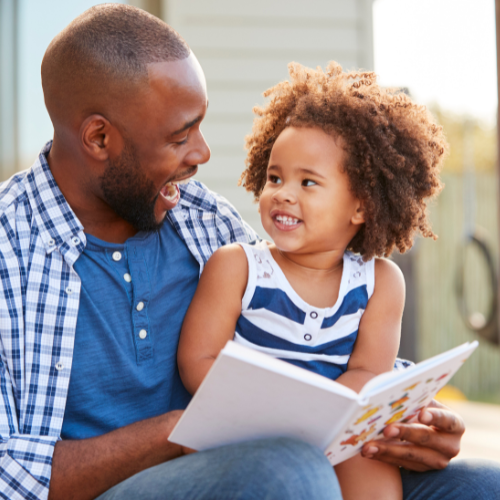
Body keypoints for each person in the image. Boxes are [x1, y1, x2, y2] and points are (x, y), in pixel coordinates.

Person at [0, 4, 497, 500]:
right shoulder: (9, 248)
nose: (202, 153)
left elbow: (311, 331)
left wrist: (410, 414)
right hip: (134, 486)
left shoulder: (201, 219)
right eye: (180, 136)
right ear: (99, 137)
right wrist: (182, 433)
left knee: (483, 487)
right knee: (289, 472)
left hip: (256, 466)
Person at [176, 61, 445, 500]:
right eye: (275, 177)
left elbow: (367, 372)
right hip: (245, 428)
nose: (283, 192)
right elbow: (198, 361)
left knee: (368, 461)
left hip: (335, 426)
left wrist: (318, 415)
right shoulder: (238, 267)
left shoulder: (379, 282)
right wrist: (277, 412)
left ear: (360, 207)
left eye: (308, 182)